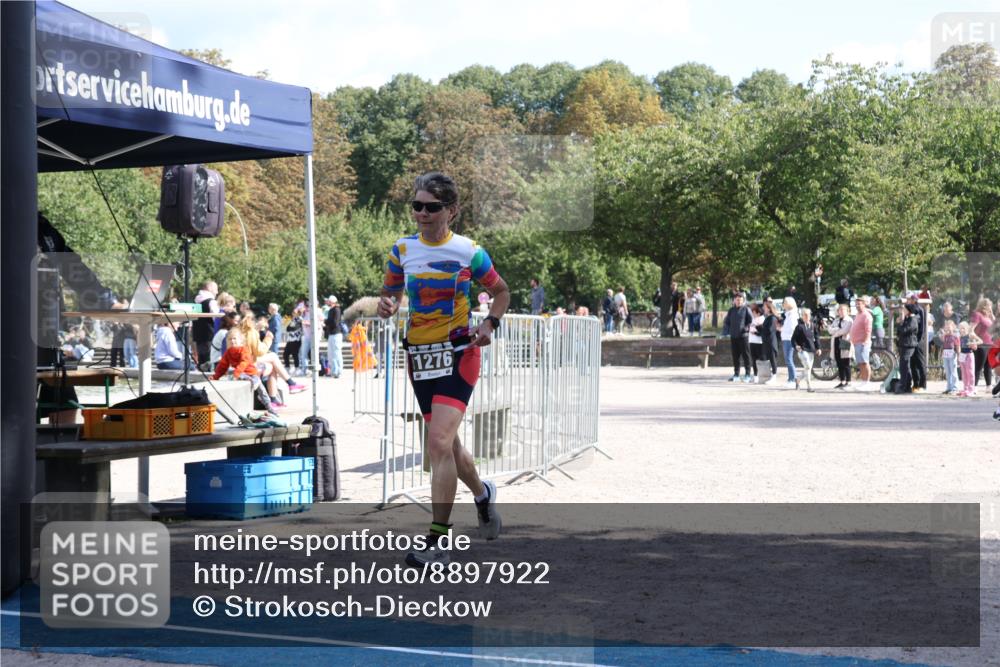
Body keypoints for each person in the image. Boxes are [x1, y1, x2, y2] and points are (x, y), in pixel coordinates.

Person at [378, 171, 509, 568]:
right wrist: (388, 305)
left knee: (436, 443)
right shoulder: (402, 250)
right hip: (420, 356)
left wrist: (489, 324)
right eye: (416, 206)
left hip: (459, 354)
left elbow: (501, 291)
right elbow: (392, 293)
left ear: (451, 211)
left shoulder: (470, 251)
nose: (421, 213)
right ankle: (483, 494)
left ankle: (438, 541)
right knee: (448, 446)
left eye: (431, 207)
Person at [213, 328, 277, 418]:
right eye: (230, 339)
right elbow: (222, 366)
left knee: (262, 391)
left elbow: (244, 362)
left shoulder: (244, 350)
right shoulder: (228, 353)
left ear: (240, 341)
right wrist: (215, 377)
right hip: (240, 374)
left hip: (250, 373)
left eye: (234, 338)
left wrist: (237, 373)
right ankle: (249, 380)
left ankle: (269, 406)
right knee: (231, 373)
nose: (232, 341)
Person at [722, 291, 753, 382]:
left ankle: (747, 374)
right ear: (734, 300)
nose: (738, 301)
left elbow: (751, 321)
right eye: (737, 300)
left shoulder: (746, 309)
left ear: (743, 301)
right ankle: (736, 374)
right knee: (735, 356)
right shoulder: (731, 310)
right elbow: (727, 322)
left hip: (743, 336)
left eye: (740, 300)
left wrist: (746, 328)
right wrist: (726, 331)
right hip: (734, 336)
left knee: (746, 356)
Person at [792, 308, 821, 392]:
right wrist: (796, 346)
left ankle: (798, 379)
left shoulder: (813, 325)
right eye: (805, 315)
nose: (807, 316)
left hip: (811, 350)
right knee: (808, 367)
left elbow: (817, 337)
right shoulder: (799, 327)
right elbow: (793, 339)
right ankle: (809, 386)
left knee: (807, 369)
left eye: (808, 315)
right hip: (802, 350)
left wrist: (818, 348)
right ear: (802, 316)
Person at [826, 303, 853, 389]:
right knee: (839, 362)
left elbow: (845, 331)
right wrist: (837, 330)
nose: (841, 311)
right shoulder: (836, 320)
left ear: (847, 311)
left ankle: (848, 382)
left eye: (843, 310)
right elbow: (830, 330)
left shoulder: (849, 320)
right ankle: (842, 381)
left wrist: (836, 331)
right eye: (839, 310)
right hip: (836, 342)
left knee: (846, 362)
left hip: (845, 341)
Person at [193, 281, 220, 366]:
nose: (217, 292)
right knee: (210, 359)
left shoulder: (196, 301)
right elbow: (216, 318)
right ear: (209, 288)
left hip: (198, 334)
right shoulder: (211, 302)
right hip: (209, 334)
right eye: (216, 289)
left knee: (202, 360)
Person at [850, 296, 874, 391]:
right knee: (860, 363)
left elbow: (868, 330)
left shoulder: (866, 315)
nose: (857, 306)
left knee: (865, 362)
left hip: (863, 343)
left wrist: (865, 341)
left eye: (859, 304)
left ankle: (867, 382)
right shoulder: (858, 314)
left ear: (864, 304)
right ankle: (863, 381)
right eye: (856, 304)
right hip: (857, 342)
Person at [970, 298, 995, 388]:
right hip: (981, 344)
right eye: (989, 305)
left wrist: (991, 314)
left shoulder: (988, 316)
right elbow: (971, 330)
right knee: (979, 366)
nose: (990, 307)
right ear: (984, 306)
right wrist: (976, 340)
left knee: (988, 366)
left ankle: (989, 386)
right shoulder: (977, 315)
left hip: (990, 344)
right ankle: (974, 386)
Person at [895, 304, 920, 394]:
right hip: (903, 344)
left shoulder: (913, 320)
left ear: (909, 310)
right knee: (904, 366)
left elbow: (904, 330)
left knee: (905, 365)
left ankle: (905, 385)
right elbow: (899, 332)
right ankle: (906, 385)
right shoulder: (907, 319)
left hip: (909, 345)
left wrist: (899, 324)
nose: (903, 311)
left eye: (904, 309)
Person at [906, 293, 927, 392]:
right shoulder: (913, 309)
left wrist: (906, 304)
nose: (907, 301)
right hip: (913, 341)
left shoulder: (918, 309)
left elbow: (911, 309)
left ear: (914, 300)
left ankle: (923, 384)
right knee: (912, 363)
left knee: (920, 363)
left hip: (918, 340)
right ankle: (916, 384)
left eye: (909, 299)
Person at [777, 296, 799, 389]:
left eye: (785, 303)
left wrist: (781, 330)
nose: (783, 305)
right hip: (786, 338)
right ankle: (790, 379)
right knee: (788, 360)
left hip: (789, 339)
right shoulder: (788, 314)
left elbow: (792, 328)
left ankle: (793, 380)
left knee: (789, 360)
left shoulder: (792, 315)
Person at [957, 322, 982, 397]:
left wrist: (973, 344)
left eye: (963, 328)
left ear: (967, 328)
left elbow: (980, 341)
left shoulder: (970, 335)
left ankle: (971, 389)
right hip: (962, 355)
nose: (962, 330)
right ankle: (965, 389)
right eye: (960, 328)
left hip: (969, 355)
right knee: (964, 373)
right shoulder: (960, 336)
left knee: (970, 373)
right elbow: (960, 346)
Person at [759, 300, 780, 384]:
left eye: (764, 307)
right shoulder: (768, 317)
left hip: (771, 342)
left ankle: (774, 375)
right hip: (767, 341)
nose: (763, 308)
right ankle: (772, 375)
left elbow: (770, 330)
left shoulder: (772, 318)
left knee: (772, 359)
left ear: (769, 308)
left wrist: (761, 329)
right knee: (770, 359)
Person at [324, 295, 344, 379]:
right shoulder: (330, 310)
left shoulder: (336, 310)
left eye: (328, 300)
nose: (327, 302)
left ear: (331, 301)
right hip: (332, 334)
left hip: (336, 333)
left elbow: (335, 322)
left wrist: (326, 321)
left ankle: (338, 371)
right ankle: (333, 371)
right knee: (331, 353)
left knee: (336, 353)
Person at [939, 319, 960, 395]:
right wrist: (944, 333)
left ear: (953, 327)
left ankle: (955, 388)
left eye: (949, 326)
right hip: (946, 354)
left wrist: (958, 356)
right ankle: (949, 387)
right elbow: (942, 340)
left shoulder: (955, 336)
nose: (947, 328)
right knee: (948, 372)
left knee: (953, 371)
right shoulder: (945, 336)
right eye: (946, 327)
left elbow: (958, 346)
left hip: (952, 354)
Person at [283, 305, 304, 373]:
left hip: (297, 339)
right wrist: (289, 325)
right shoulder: (291, 320)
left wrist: (291, 327)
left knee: (295, 354)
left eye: (295, 312)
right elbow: (287, 328)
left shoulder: (300, 319)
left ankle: (297, 368)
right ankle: (287, 367)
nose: (293, 314)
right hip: (290, 339)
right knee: (285, 353)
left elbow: (295, 328)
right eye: (293, 312)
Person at [748, 303, 764, 380]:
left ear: (758, 313)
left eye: (754, 312)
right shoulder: (753, 319)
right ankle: (755, 375)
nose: (753, 314)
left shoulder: (762, 319)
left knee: (760, 359)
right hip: (752, 341)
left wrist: (755, 333)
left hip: (759, 342)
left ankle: (761, 374)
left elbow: (762, 332)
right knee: (753, 359)